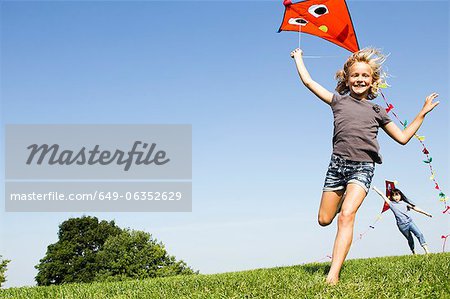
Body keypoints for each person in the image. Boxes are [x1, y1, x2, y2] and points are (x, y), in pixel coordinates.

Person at [290, 47, 439, 285]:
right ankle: (340, 201)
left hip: (363, 167)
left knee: (347, 216)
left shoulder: (378, 111)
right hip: (337, 166)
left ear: (373, 81)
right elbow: (308, 82)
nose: (360, 79)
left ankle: (333, 275)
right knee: (324, 219)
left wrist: (422, 112)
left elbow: (402, 138)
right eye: (355, 75)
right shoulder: (337, 101)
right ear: (346, 79)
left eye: (365, 76)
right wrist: (299, 59)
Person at [372, 186, 431, 254]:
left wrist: (426, 213)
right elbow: (382, 195)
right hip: (402, 226)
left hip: (410, 222)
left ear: (400, 195)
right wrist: (375, 189)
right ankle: (413, 251)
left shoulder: (405, 203)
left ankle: (427, 251)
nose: (396, 197)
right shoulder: (391, 204)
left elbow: (415, 208)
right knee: (410, 239)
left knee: (419, 234)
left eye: (397, 195)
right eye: (393, 196)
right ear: (392, 197)